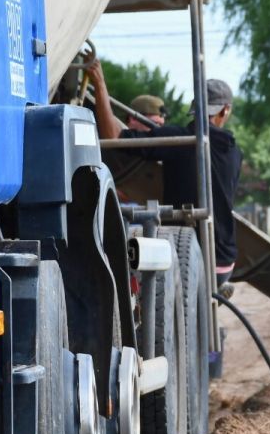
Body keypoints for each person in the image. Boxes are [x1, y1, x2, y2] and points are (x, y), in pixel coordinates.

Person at [88, 60, 243, 285]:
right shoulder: (235, 151)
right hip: (225, 261)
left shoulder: (179, 141)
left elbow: (113, 137)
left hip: (188, 254)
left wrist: (100, 84)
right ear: (225, 110)